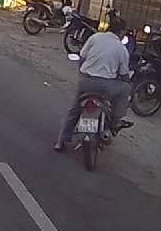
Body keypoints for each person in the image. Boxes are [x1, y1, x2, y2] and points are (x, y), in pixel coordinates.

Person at [53, 14, 133, 152]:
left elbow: (82, 57)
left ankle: (60, 142)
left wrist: (82, 74)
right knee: (125, 88)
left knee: (74, 109)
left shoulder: (95, 38)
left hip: (85, 82)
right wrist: (127, 81)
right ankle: (116, 120)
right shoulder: (121, 49)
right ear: (121, 32)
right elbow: (124, 74)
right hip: (106, 87)